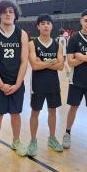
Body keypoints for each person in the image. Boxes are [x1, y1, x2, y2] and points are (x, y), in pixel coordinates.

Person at [0, 0, 29, 162]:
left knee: (16, 114)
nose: (8, 14)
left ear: (15, 14)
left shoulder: (22, 34)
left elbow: (24, 61)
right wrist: (0, 84)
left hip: (16, 82)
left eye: (11, 11)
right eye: (4, 11)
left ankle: (16, 141)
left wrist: (17, 83)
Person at [62, 9, 87, 150]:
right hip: (76, 80)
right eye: (86, 20)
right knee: (73, 107)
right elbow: (71, 62)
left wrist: (81, 56)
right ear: (81, 21)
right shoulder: (74, 38)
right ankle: (67, 133)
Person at [27, 14, 64, 157]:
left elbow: (61, 66)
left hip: (53, 83)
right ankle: (33, 140)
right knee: (35, 112)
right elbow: (34, 66)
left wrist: (42, 62)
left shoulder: (58, 44)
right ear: (38, 26)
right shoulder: (32, 44)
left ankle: (52, 138)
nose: (46, 26)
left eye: (48, 23)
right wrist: (52, 61)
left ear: (52, 26)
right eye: (42, 23)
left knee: (52, 111)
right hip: (38, 83)